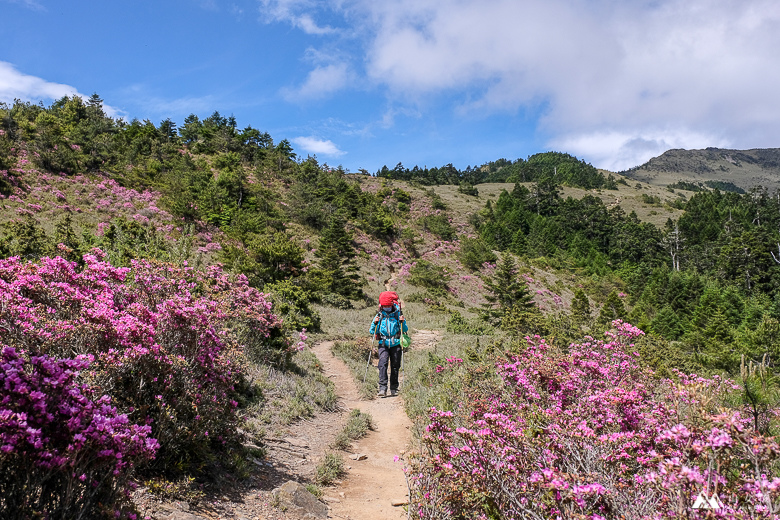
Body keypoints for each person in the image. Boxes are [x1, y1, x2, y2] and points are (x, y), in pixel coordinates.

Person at [369, 291, 408, 397]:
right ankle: (382, 388)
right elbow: (372, 331)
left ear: (391, 305)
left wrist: (402, 322)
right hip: (383, 344)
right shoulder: (379, 315)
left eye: (388, 305)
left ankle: (394, 388)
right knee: (382, 364)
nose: (386, 307)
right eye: (384, 305)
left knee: (395, 366)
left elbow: (405, 329)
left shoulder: (398, 314)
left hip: (395, 344)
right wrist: (375, 323)